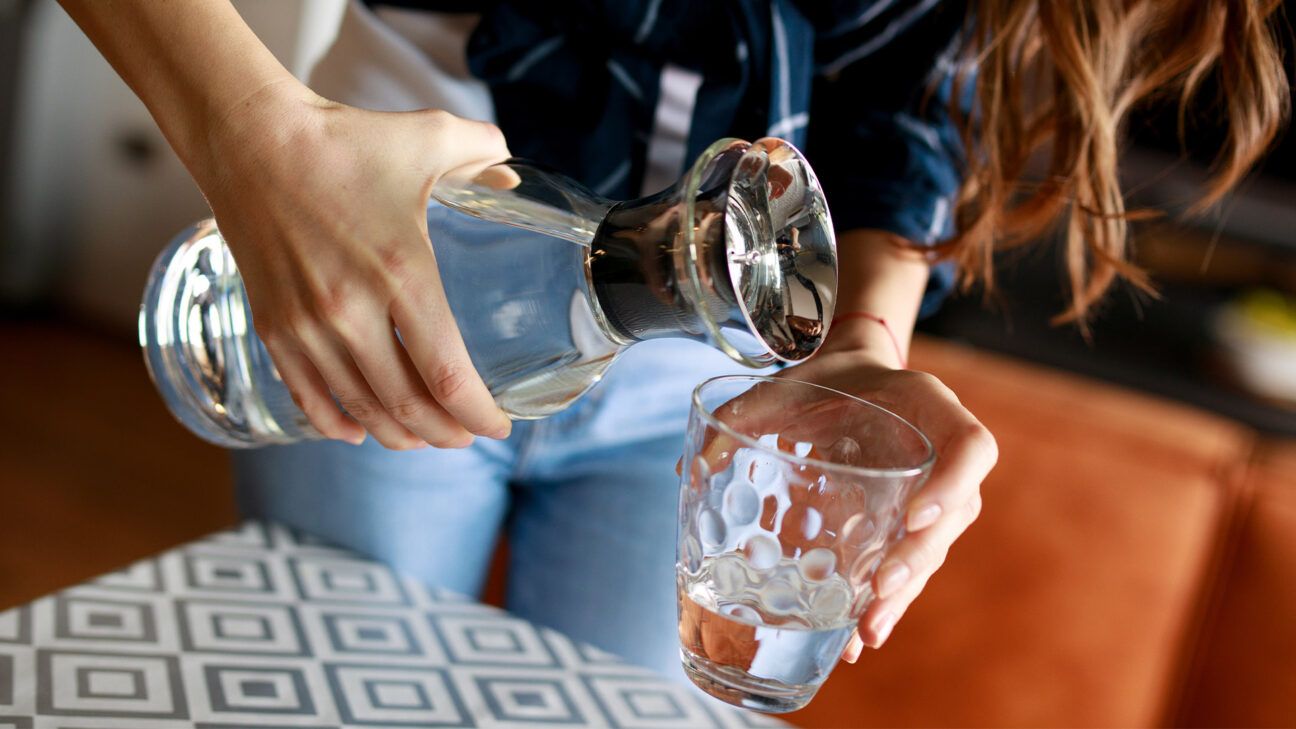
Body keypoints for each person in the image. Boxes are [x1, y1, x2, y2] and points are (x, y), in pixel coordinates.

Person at [60, 0, 1287, 681]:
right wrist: (264, 140)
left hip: (724, 369)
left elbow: (915, 100)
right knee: (331, 699)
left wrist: (860, 350)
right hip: (394, 256)